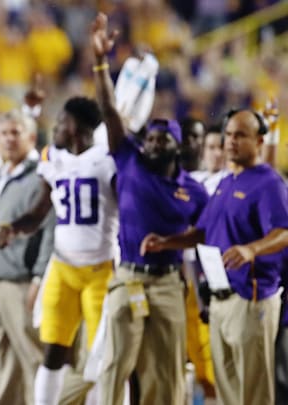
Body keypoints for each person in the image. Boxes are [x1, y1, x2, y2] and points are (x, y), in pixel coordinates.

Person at [90, 12, 210, 405]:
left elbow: (205, 232)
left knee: (167, 369)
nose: (153, 144)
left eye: (162, 140)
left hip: (169, 283)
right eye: (151, 138)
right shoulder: (130, 159)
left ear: (177, 147)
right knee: (114, 366)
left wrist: (171, 242)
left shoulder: (191, 189)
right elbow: (109, 110)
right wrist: (101, 64)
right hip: (127, 279)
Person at [141, 108, 288, 405]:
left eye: (241, 136)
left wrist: (252, 249)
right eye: (229, 135)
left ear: (259, 141)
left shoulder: (268, 182)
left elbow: (284, 231)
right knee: (227, 391)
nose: (231, 142)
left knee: (253, 392)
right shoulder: (226, 182)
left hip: (251, 297)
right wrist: (168, 242)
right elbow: (204, 232)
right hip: (219, 299)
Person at [0, 97, 116, 405]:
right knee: (52, 350)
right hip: (63, 268)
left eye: (61, 123)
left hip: (101, 269)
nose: (56, 128)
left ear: (75, 127)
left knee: (103, 355)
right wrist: (14, 227)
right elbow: (39, 212)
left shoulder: (107, 160)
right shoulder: (54, 160)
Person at [0, 109, 55, 405]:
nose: (9, 139)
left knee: (33, 360)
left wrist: (39, 276)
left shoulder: (39, 176)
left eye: (16, 133)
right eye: (4, 133)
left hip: (23, 283)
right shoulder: (2, 174)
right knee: (0, 363)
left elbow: (50, 230)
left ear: (32, 138)